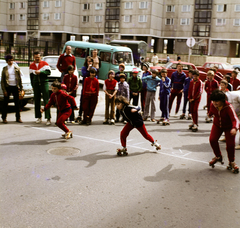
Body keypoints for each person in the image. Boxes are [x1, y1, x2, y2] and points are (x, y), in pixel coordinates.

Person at [208, 90, 239, 174]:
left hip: (229, 127)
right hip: (217, 125)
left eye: (217, 101)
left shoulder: (228, 107)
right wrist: (209, 114)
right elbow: (211, 112)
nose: (215, 103)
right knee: (212, 140)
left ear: (223, 100)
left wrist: (235, 128)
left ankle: (231, 161)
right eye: (213, 101)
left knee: (230, 145)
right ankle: (218, 156)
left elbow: (235, 119)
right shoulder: (212, 105)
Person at [29, 51, 51, 125]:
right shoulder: (31, 65)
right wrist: (32, 86)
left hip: (44, 83)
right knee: (37, 101)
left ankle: (48, 118)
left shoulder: (44, 64)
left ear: (40, 57)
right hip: (36, 84)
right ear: (33, 57)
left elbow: (48, 72)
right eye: (36, 57)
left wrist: (41, 72)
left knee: (46, 100)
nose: (37, 58)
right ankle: (38, 117)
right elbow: (31, 77)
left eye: (38, 57)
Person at [1, 54, 23, 123]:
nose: (11, 62)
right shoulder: (5, 69)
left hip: (15, 87)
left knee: (17, 103)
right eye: (9, 60)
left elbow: (19, 79)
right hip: (8, 87)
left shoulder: (16, 68)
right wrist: (4, 90)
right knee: (5, 103)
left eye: (12, 60)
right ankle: (4, 118)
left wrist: (21, 88)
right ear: (7, 61)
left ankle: (18, 118)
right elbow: (2, 81)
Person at [76, 56, 94, 123]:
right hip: (85, 87)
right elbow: (85, 74)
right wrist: (88, 69)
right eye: (88, 61)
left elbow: (95, 76)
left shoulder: (94, 68)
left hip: (91, 88)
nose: (89, 62)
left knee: (90, 103)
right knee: (82, 100)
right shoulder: (84, 68)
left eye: (90, 61)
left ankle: (88, 116)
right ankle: (80, 114)